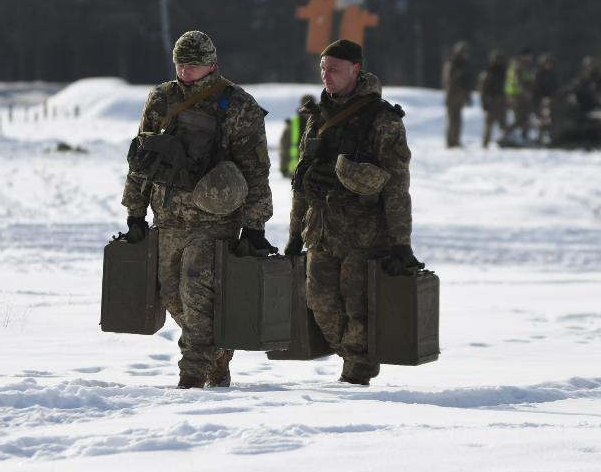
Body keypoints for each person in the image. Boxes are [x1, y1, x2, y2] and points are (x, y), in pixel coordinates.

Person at [121, 30, 274, 389]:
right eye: (180, 64)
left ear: (212, 65)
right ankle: (217, 358)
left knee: (198, 293)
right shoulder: (161, 99)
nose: (186, 72)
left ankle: (192, 374)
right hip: (168, 217)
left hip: (215, 220)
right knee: (173, 296)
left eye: (193, 66)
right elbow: (141, 160)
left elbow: (255, 170)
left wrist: (255, 226)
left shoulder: (238, 105)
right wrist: (134, 212)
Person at [285, 39, 420, 386]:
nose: (326, 76)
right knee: (320, 304)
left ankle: (357, 376)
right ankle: (353, 361)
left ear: (356, 69)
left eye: (334, 69)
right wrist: (293, 236)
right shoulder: (316, 117)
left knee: (359, 308)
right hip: (321, 231)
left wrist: (400, 242)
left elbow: (396, 187)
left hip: (364, 235)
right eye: (323, 69)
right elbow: (302, 182)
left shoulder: (383, 120)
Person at [442, 41, 473, 148]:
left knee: (458, 119)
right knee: (452, 120)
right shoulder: (452, 63)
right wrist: (460, 75)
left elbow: (466, 82)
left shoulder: (464, 64)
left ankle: (456, 140)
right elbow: (449, 78)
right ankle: (450, 142)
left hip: (459, 96)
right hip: (452, 96)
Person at [279, 94, 316, 178]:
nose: (308, 111)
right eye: (306, 107)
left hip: (316, 172)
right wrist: (284, 168)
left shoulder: (322, 122)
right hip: (295, 172)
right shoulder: (292, 125)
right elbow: (284, 147)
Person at [478, 48, 508, 148]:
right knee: (489, 124)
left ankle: (504, 142)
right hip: (491, 100)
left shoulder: (504, 72)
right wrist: (484, 102)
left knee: (503, 123)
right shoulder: (488, 72)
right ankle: (485, 144)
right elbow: (483, 89)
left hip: (501, 99)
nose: (498, 61)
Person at [504, 48, 536, 141]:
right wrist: (526, 92)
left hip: (518, 95)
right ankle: (506, 133)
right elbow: (518, 82)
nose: (530, 58)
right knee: (520, 118)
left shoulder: (522, 66)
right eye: (528, 56)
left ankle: (524, 136)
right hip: (517, 95)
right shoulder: (518, 66)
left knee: (525, 117)